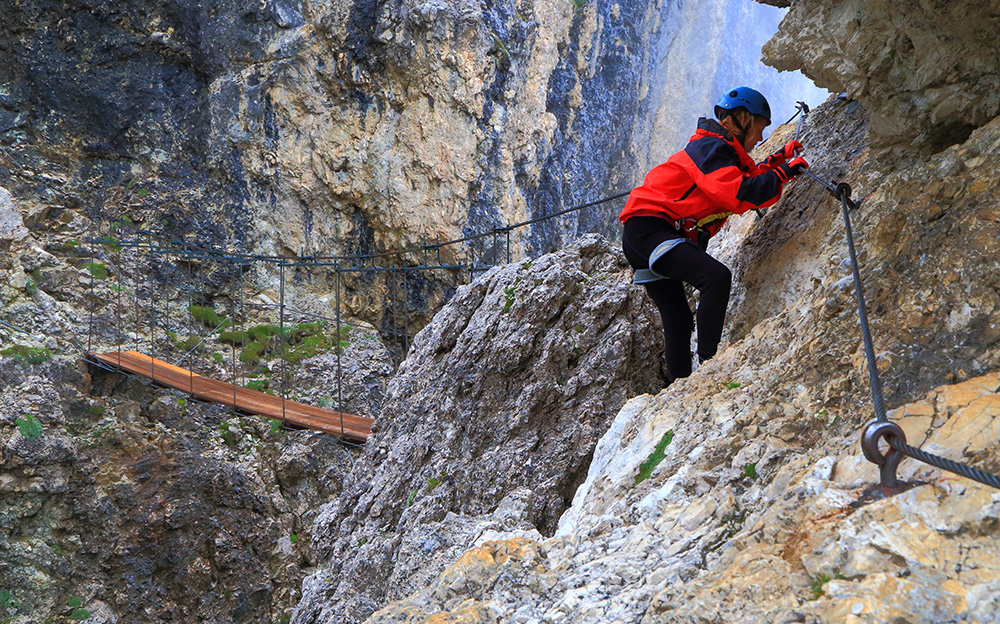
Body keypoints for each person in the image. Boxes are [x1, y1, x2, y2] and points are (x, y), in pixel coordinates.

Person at [619, 86, 809, 385]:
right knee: (716, 277)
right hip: (652, 228)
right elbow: (737, 194)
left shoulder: (718, 150)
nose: (760, 137)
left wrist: (778, 162)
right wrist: (784, 173)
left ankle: (679, 386)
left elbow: (744, 178)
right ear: (742, 118)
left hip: (644, 232)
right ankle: (709, 364)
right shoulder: (710, 149)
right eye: (759, 129)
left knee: (679, 319)